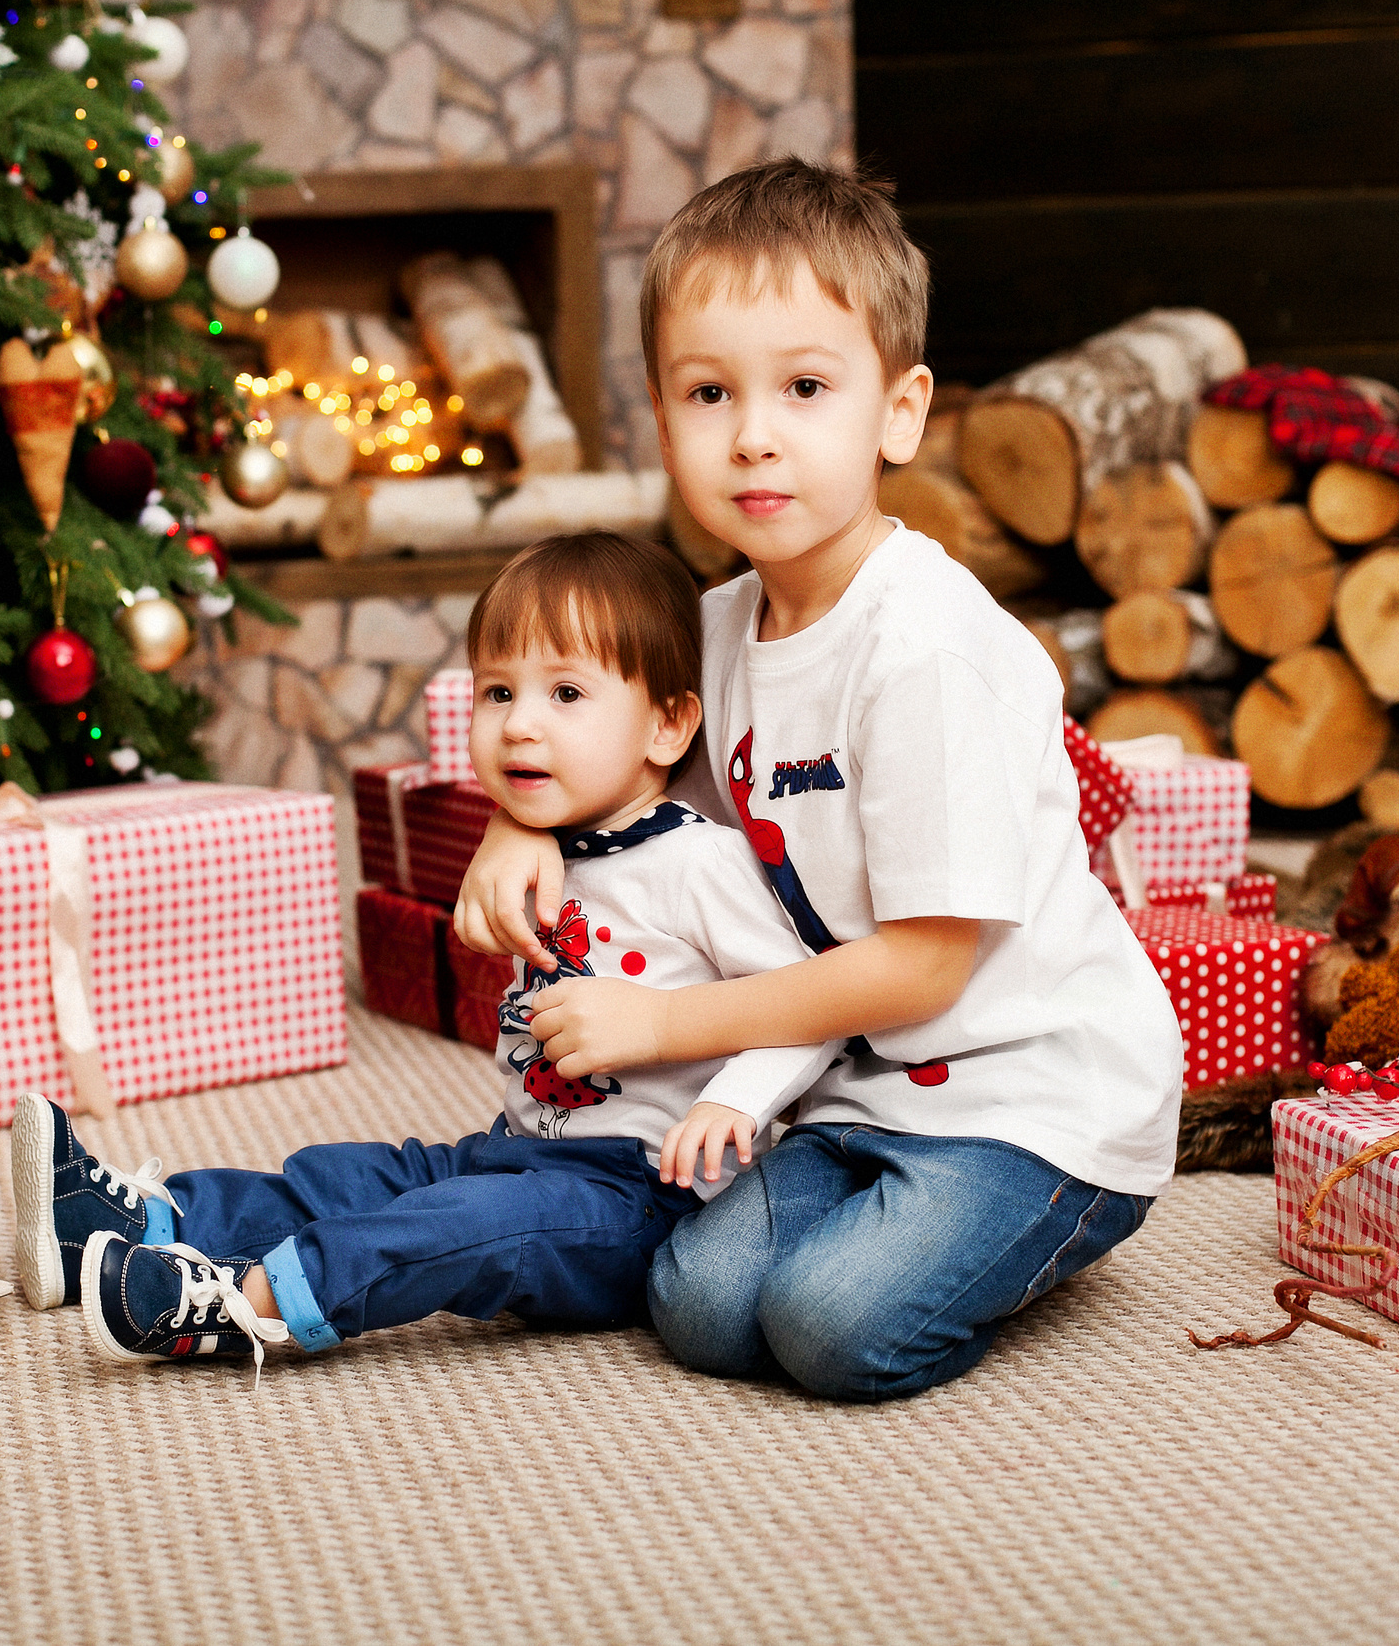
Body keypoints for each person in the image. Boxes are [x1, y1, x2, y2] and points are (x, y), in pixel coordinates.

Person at [454, 157, 1185, 1403]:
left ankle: (1046, 1227)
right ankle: (893, 1211)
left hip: (1030, 1092)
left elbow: (925, 968)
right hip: (851, 1080)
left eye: (804, 387)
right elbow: (607, 771)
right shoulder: (718, 629)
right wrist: (509, 829)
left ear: (897, 414)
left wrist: (659, 1029)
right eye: (708, 393)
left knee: (829, 1329)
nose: (753, 434)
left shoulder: (928, 651)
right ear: (661, 414)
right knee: (695, 1302)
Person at [8, 532, 841, 1376]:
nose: (519, 723)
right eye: (498, 691)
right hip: (518, 1145)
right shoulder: (547, 842)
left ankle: (248, 1304)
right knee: (355, 1177)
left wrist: (735, 1102)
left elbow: (814, 1004)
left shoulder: (698, 862)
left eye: (564, 693)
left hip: (638, 1198)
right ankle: (139, 1221)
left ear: (666, 724)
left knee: (442, 1229)